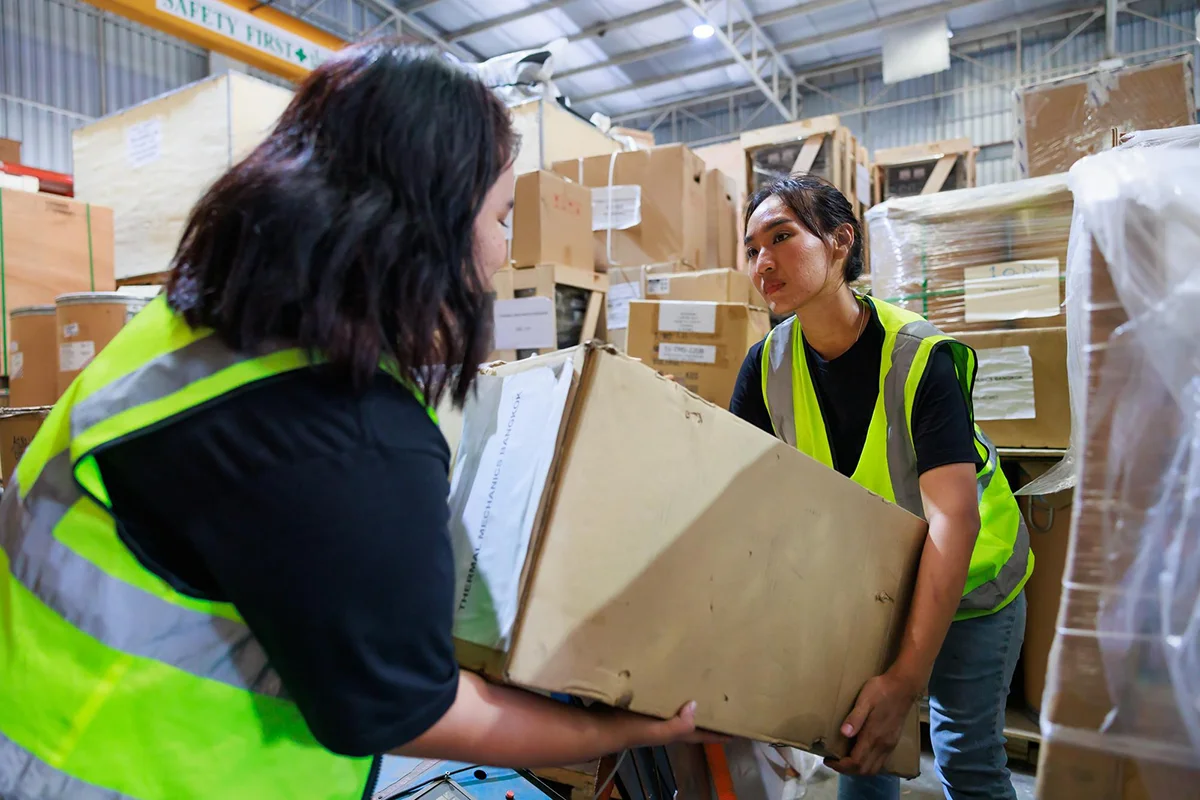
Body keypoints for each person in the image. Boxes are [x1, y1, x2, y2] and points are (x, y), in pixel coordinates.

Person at [0, 43, 714, 800]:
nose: (504, 253)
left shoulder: (195, 328)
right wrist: (627, 730)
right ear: (429, 219)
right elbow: (404, 706)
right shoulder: (345, 429)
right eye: (501, 217)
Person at [729, 176, 1032, 800]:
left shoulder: (921, 356)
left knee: (967, 761)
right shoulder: (764, 366)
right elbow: (746, 508)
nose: (764, 262)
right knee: (861, 757)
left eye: (782, 237)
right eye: (752, 247)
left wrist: (904, 679)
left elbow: (954, 521)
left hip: (973, 585)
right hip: (868, 593)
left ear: (841, 242)